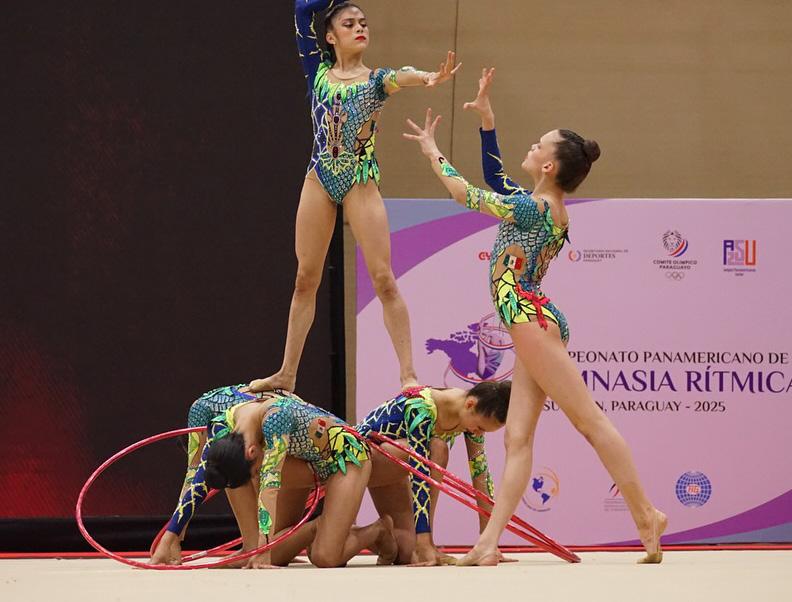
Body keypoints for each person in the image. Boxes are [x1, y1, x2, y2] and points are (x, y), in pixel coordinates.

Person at [401, 68, 667, 566]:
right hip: (530, 321)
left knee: (589, 421)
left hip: (530, 321)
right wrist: (486, 122)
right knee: (517, 438)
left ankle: (646, 514)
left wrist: (433, 150)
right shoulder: (540, 206)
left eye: (539, 144)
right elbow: (497, 181)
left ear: (548, 165)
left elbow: (465, 194)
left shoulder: (534, 209)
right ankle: (488, 544)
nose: (533, 144)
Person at [247, 1, 460, 395]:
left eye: (364, 23)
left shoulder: (375, 81)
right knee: (304, 280)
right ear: (330, 36)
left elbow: (401, 76)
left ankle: (409, 375)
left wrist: (429, 77)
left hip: (360, 181)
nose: (360, 28)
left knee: (384, 280)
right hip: (319, 178)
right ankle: (287, 374)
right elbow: (301, 11)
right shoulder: (317, 70)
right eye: (349, 23)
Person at [149, 384, 395, 568]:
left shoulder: (276, 418)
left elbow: (270, 483)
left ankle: (379, 529)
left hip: (344, 455)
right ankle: (300, 533)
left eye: (255, 472)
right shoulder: (220, 426)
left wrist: (264, 551)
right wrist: (171, 536)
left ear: (252, 451)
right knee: (257, 545)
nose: (254, 479)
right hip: (305, 459)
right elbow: (196, 476)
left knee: (325, 557)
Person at [356, 381, 510, 565]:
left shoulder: (470, 416)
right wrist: (425, 542)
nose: (478, 433)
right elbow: (419, 472)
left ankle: (379, 533)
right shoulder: (421, 407)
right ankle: (425, 542)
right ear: (470, 404)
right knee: (437, 447)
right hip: (362, 461)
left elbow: (480, 473)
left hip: (395, 464)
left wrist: (488, 542)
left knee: (406, 552)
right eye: (480, 428)